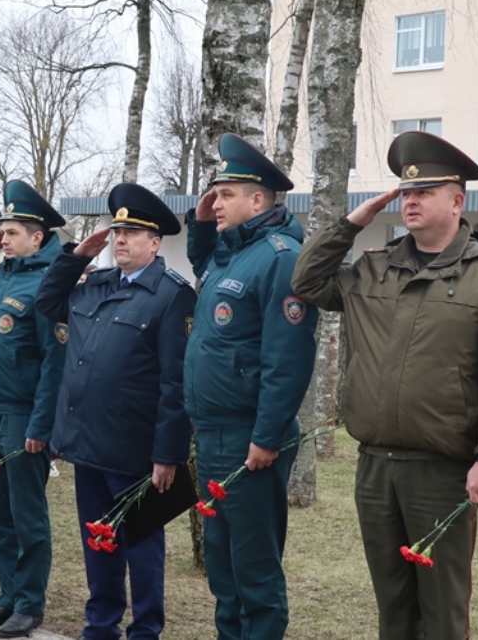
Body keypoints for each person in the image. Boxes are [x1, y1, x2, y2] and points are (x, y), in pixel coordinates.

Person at [291, 130, 478, 639]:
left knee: (442, 608)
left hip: (443, 471)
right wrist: (351, 221)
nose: (410, 200)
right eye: (405, 193)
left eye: (423, 192)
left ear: (457, 201)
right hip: (376, 468)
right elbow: (307, 283)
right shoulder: (374, 269)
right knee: (393, 603)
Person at [35, 182, 196, 640]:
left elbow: (175, 382)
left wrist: (168, 453)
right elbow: (45, 304)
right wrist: (74, 258)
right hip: (88, 444)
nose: (120, 239)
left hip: (136, 450)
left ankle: (145, 629)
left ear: (155, 242)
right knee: (97, 542)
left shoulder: (171, 295)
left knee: (142, 544)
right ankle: (101, 624)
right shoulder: (94, 286)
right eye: (117, 231)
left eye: (132, 232)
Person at [184, 134, 318, 640]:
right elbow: (205, 264)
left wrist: (266, 436)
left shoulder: (281, 257)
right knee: (222, 563)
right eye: (215, 196)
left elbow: (287, 361)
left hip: (249, 439)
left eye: (226, 195)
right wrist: (202, 220)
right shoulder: (232, 253)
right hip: (215, 433)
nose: (215, 204)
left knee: (255, 568)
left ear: (257, 200)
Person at [0, 180, 67, 638]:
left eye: (11, 233)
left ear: (37, 238)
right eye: (1, 232)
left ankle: (30, 603)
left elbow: (54, 363)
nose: (2, 239)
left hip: (21, 417)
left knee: (26, 514)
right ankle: (7, 596)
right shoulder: (4, 272)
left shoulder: (49, 282)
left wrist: (41, 425)